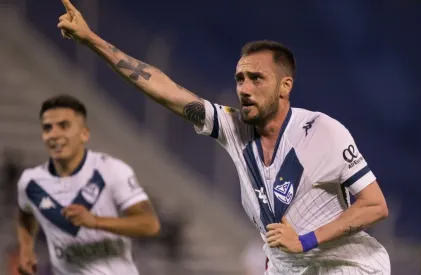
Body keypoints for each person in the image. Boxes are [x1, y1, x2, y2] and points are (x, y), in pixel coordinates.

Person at [56, 1, 391, 273]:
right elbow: (166, 91)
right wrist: (92, 41)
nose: (244, 88)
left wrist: (305, 240)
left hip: (348, 265)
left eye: (256, 78)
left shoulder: (322, 132)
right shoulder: (233, 128)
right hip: (289, 267)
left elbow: (375, 205)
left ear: (285, 86)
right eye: (239, 78)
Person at [16, 95, 161, 275]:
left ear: (84, 134)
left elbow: (150, 225)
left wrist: (96, 222)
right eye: (47, 128)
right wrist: (26, 250)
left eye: (64, 126)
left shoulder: (111, 170)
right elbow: (25, 215)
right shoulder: (30, 183)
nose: (54, 134)